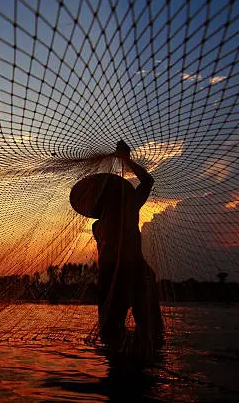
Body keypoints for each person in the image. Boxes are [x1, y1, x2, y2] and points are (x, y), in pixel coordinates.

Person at [93, 140, 163, 353]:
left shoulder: (123, 209)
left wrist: (126, 160)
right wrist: (125, 159)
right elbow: (147, 181)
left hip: (131, 272)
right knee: (113, 334)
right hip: (117, 275)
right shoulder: (116, 215)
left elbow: (148, 181)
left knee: (148, 330)